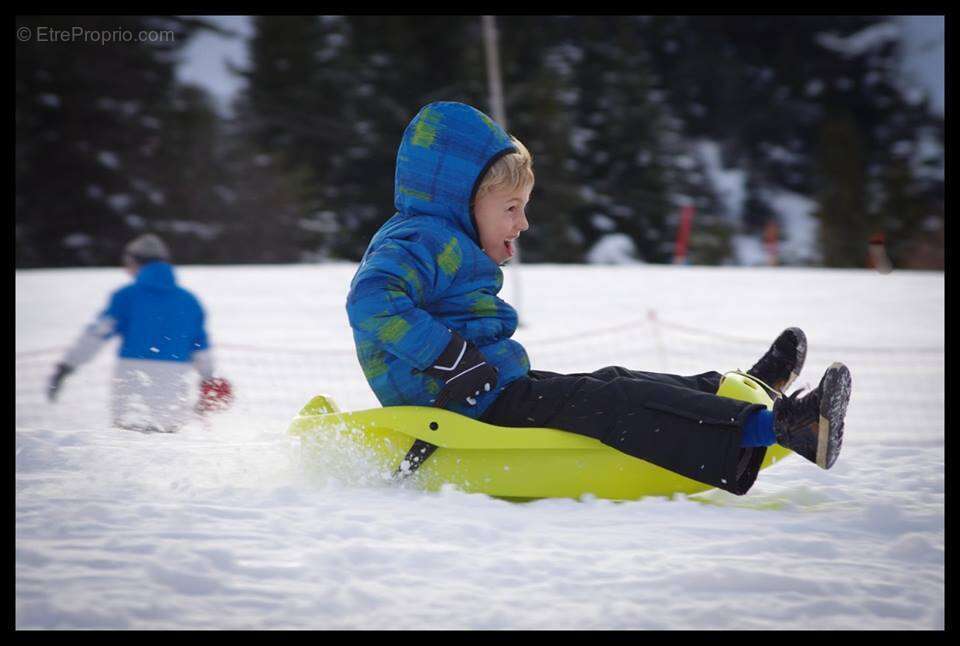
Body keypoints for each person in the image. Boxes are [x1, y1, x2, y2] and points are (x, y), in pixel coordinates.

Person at [345, 102, 852, 495]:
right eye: (511, 208)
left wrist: (464, 364)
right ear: (462, 201)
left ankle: (735, 388)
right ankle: (776, 428)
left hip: (486, 387)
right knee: (613, 402)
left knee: (614, 381)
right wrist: (449, 359)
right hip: (464, 402)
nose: (522, 223)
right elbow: (370, 301)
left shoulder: (438, 237)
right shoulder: (421, 240)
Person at [48, 234, 232, 432]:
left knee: (130, 445)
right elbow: (200, 346)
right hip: (174, 378)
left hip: (132, 375)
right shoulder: (189, 300)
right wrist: (208, 378)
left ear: (135, 261)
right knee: (169, 444)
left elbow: (97, 335)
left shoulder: (126, 296)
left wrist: (67, 365)